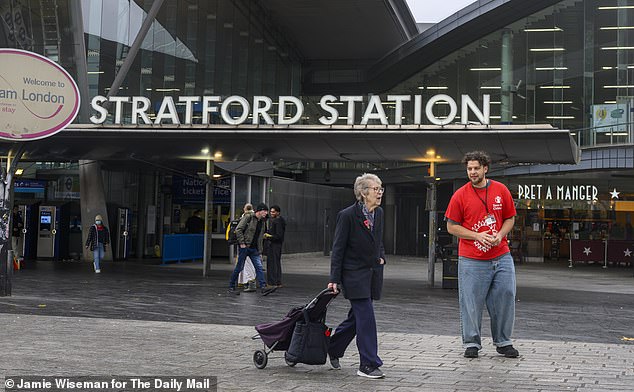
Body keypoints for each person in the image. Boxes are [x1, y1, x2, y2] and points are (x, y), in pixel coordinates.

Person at [444, 151, 519, 359]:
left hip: (501, 255)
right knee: (471, 302)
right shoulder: (460, 195)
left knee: (506, 296)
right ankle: (471, 343)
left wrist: (500, 234)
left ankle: (504, 342)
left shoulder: (501, 190)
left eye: (476, 168)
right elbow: (452, 227)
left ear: (485, 168)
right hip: (472, 259)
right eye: (469, 169)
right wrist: (476, 236)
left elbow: (510, 218)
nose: (472, 172)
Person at [327, 173, 386, 379]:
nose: (379, 193)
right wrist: (334, 278)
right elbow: (338, 248)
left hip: (372, 275)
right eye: (375, 189)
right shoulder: (347, 215)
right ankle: (368, 364)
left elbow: (378, 242)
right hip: (353, 275)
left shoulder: (379, 214)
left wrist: (381, 257)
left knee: (357, 319)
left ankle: (332, 347)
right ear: (363, 193)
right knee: (366, 317)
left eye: (381, 189)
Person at [228, 203, 275, 296]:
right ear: (259, 211)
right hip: (245, 247)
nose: (266, 213)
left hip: (254, 249)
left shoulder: (262, 221)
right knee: (239, 267)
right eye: (264, 211)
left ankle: (263, 287)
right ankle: (231, 286)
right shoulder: (248, 217)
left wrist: (260, 251)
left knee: (259, 268)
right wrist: (242, 243)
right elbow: (238, 229)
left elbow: (260, 237)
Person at [264, 205, 286, 287]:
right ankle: (277, 281)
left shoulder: (277, 221)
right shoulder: (280, 221)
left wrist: (269, 236)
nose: (271, 213)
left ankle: (272, 282)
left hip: (274, 245)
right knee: (276, 263)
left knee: (272, 263)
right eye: (271, 211)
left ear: (278, 212)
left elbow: (278, 236)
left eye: (273, 212)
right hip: (277, 245)